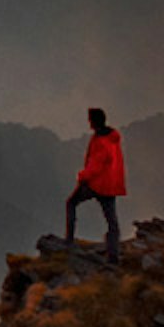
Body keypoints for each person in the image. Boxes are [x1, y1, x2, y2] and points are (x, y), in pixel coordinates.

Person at [65, 107, 125, 255]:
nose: (88, 122)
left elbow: (95, 166)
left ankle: (69, 240)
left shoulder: (100, 141)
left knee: (71, 203)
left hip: (96, 184)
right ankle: (113, 253)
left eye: (90, 119)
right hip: (110, 184)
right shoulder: (112, 138)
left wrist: (82, 176)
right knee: (112, 221)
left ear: (94, 121)